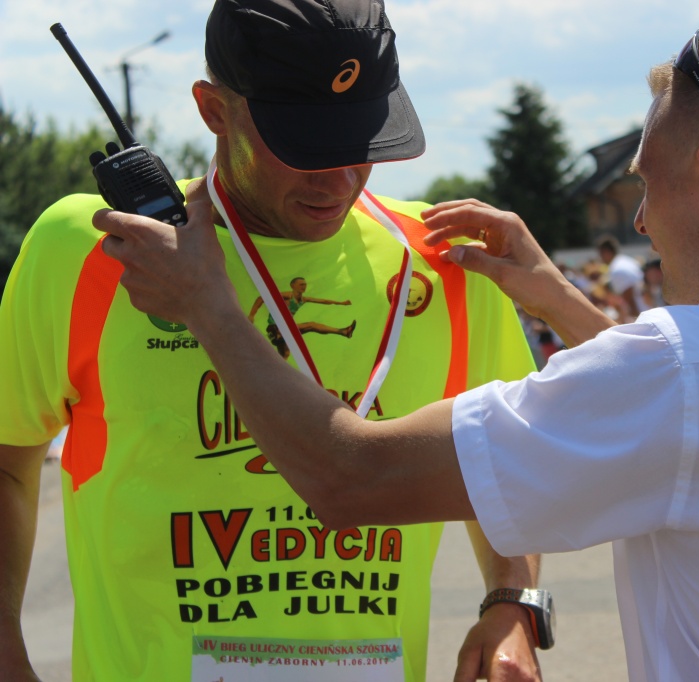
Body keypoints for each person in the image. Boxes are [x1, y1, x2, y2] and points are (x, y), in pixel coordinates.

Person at [95, 22, 699, 680]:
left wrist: (208, 307)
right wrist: (555, 297)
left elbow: (347, 478)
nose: (638, 219)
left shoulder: (681, 377)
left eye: (646, 180)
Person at [0, 1, 545, 680]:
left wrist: (512, 603)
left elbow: (507, 467)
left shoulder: (446, 264)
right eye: (306, 145)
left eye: (362, 138)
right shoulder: (93, 251)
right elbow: (8, 462)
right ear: (214, 110)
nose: (340, 177)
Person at [597, 236, 647, 322]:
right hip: (648, 311)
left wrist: (639, 322)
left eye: (601, 255)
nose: (600, 258)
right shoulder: (625, 261)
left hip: (643, 314)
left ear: (606, 253)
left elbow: (630, 301)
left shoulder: (617, 269)